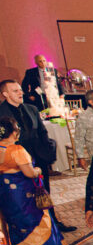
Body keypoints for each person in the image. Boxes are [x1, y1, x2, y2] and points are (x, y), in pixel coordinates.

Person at [0, 117, 68, 245]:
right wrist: (38, 170)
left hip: (6, 194)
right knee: (38, 221)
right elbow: (29, 173)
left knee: (17, 224)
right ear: (13, 132)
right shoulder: (16, 150)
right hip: (24, 194)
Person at [0, 80, 61, 210]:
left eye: (20, 90)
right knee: (23, 196)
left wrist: (46, 154)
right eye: (15, 91)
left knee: (44, 192)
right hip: (15, 162)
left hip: (38, 157)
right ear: (5, 94)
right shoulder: (1, 112)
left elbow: (42, 132)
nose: (20, 93)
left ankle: (51, 219)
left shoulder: (32, 109)